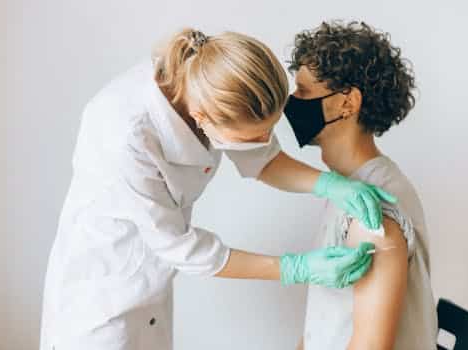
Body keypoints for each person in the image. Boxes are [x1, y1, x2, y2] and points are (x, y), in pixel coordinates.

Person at [39, 28, 396, 350]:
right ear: (205, 119)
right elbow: (181, 248)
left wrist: (329, 184)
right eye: (255, 135)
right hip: (100, 305)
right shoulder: (127, 135)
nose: (265, 141)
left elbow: (263, 159)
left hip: (150, 293)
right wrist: (294, 268)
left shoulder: (210, 82)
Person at [284, 21, 438, 350]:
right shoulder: (346, 188)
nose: (292, 102)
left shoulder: (372, 213)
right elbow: (323, 321)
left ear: (347, 102)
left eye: (303, 91)